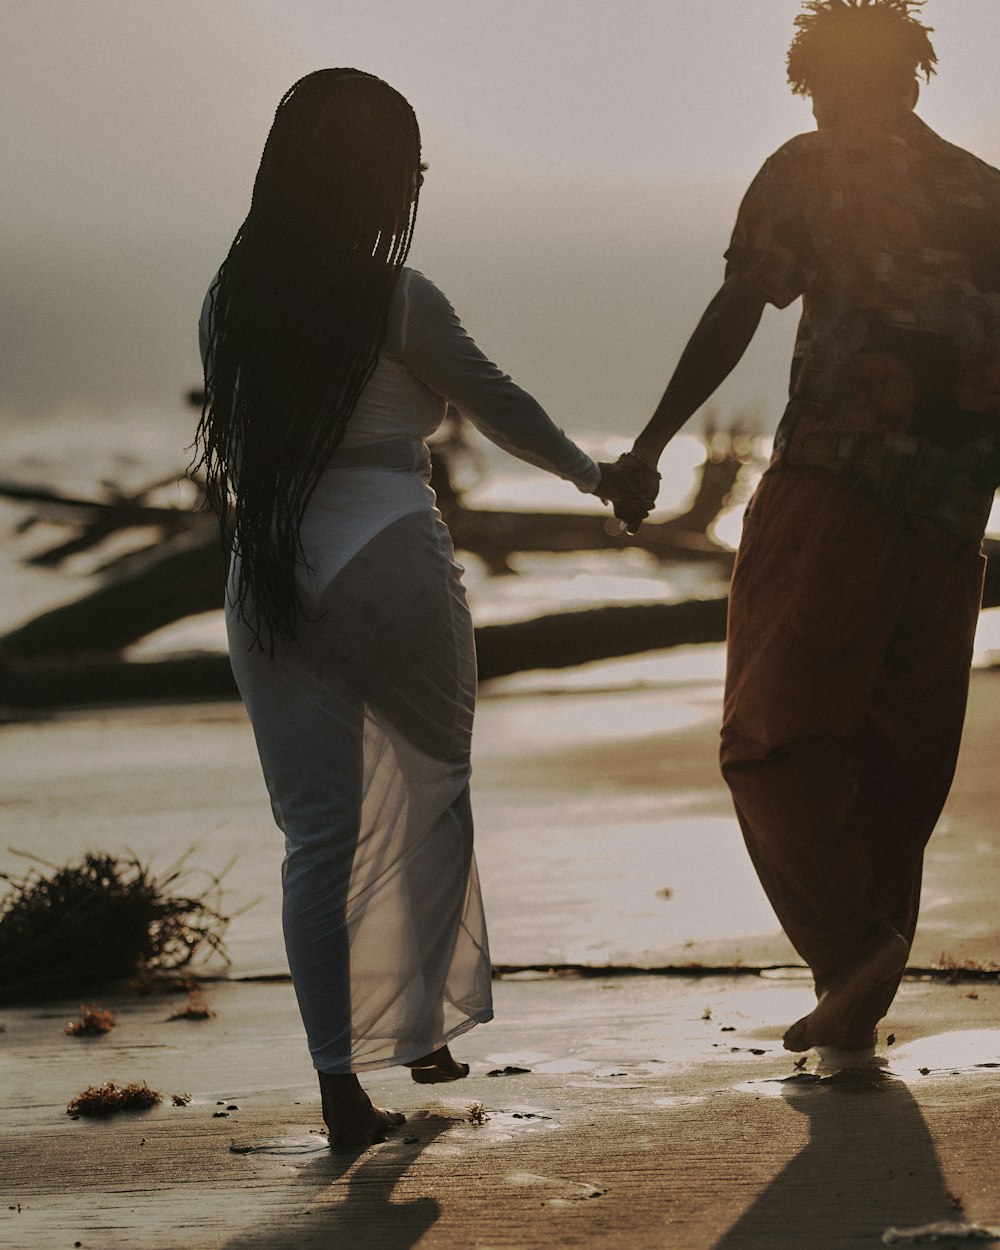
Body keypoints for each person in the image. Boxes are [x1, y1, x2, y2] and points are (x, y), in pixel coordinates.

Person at [192, 68, 652, 1149]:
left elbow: (248, 444)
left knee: (315, 837)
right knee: (432, 782)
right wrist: (598, 477)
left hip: (267, 575)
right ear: (379, 181)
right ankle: (425, 1029)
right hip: (390, 551)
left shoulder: (229, 297)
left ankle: (336, 1087)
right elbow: (500, 407)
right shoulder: (397, 297)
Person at [617, 0, 1000, 1053]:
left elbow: (743, 304)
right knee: (897, 764)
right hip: (954, 518)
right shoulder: (986, 194)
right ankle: (856, 1003)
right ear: (914, 78)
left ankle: (845, 951)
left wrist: (652, 441)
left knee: (771, 737)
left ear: (819, 81)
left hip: (836, 485)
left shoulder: (813, 164)